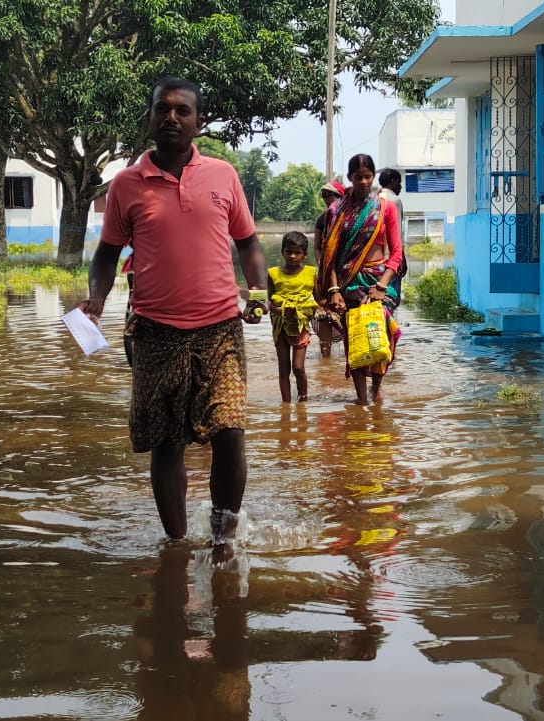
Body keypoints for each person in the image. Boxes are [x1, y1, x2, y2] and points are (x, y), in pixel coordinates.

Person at [77, 76, 267, 549]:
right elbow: (106, 254)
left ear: (199, 123)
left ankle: (223, 541)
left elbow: (247, 242)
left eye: (183, 111)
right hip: (155, 331)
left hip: (221, 326)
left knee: (229, 431)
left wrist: (259, 290)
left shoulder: (223, 176)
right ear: (150, 117)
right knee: (166, 441)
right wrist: (97, 299)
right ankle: (177, 545)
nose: (172, 118)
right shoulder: (125, 184)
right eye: (163, 109)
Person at [320, 154, 404, 405]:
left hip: (378, 281)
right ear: (349, 178)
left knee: (380, 334)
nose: (364, 181)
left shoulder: (384, 207)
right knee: (354, 339)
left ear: (374, 176)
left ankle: (375, 389)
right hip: (347, 284)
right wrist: (333, 290)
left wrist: (381, 286)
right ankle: (360, 399)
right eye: (358, 177)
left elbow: (397, 252)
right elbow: (329, 256)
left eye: (368, 176)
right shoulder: (336, 211)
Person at [267, 231, 317, 402]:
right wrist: (279, 311)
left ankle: (303, 401)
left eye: (297, 253)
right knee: (284, 368)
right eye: (289, 252)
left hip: (301, 324)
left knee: (298, 367)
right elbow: (269, 303)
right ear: (282, 252)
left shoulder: (311, 273)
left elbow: (319, 300)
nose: (293, 256)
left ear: (304, 255)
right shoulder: (273, 273)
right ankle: (286, 405)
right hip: (280, 325)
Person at [313, 180, 346, 357]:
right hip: (327, 271)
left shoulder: (349, 218)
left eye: (330, 194)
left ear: (341, 197)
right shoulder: (322, 219)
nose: (326, 198)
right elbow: (317, 247)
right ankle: (325, 358)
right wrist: (323, 265)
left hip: (347, 271)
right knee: (325, 311)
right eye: (323, 195)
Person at [375, 168, 409, 299]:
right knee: (390, 297)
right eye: (399, 183)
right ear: (393, 182)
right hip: (391, 259)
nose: (400, 187)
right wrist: (402, 259)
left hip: (374, 260)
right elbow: (397, 235)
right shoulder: (394, 200)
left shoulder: (374, 198)